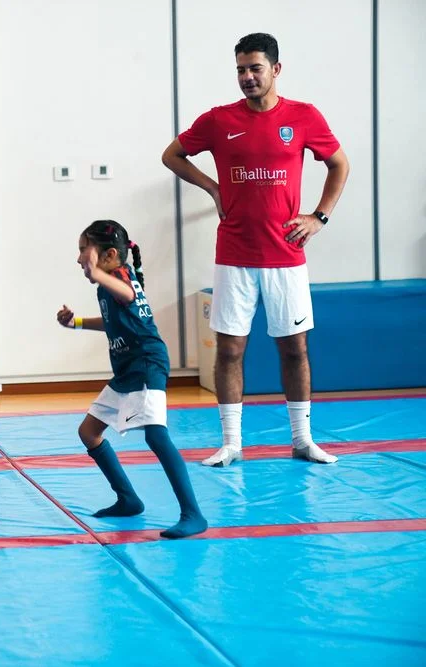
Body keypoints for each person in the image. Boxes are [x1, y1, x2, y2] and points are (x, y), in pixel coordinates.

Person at [161, 32, 350, 467]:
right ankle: (231, 443)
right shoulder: (218, 120)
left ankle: (302, 440)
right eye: (241, 70)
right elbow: (172, 155)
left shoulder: (303, 116)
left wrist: (319, 217)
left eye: (255, 68)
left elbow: (339, 163)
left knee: (294, 349)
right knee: (230, 350)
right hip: (235, 254)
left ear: (276, 70)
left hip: (287, 254)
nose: (247, 77)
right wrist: (212, 187)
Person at [57, 220, 207, 539]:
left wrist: (97, 273)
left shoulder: (121, 277)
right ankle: (128, 499)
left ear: (110, 255)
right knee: (89, 432)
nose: (79, 258)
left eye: (84, 251)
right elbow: (112, 321)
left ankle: (193, 514)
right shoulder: (107, 285)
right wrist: (77, 323)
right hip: (126, 370)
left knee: (156, 436)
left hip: (146, 363)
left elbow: (126, 294)